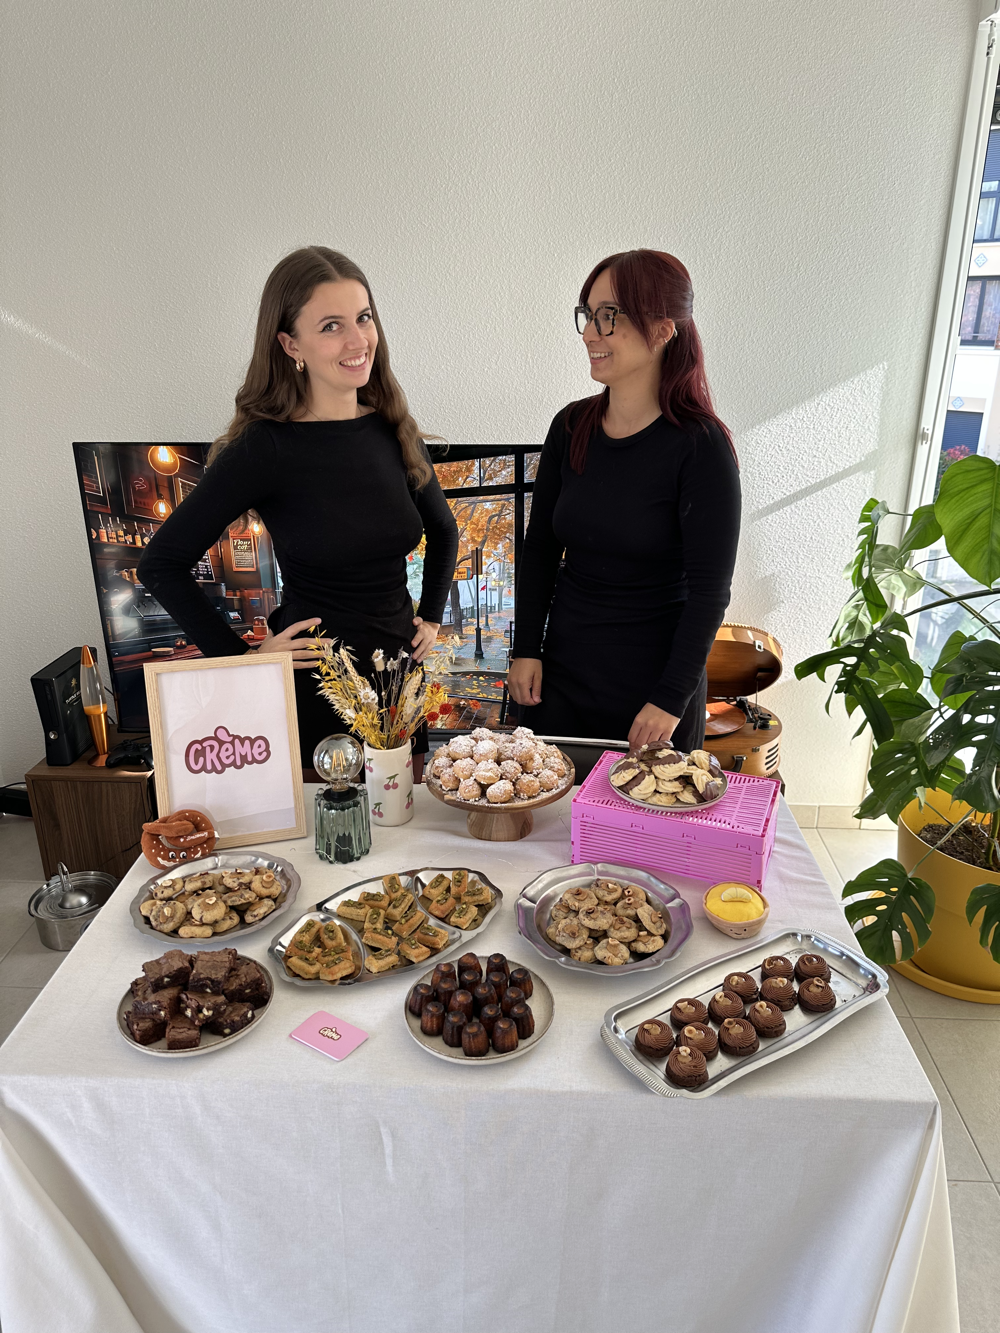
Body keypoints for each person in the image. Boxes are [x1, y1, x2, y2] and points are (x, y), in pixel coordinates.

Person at [138, 246, 458, 772]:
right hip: (318, 685)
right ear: (290, 344)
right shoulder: (265, 447)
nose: (358, 341)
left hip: (400, 678)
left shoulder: (393, 428)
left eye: (364, 317)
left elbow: (444, 532)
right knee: (332, 841)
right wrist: (243, 659)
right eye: (332, 325)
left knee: (402, 833)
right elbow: (161, 564)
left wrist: (430, 616)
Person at [507, 249, 740, 753]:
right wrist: (526, 648)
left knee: (639, 832)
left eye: (609, 316)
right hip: (562, 675)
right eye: (588, 315)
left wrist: (671, 698)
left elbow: (709, 593)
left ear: (662, 329)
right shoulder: (571, 426)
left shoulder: (700, 446)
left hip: (652, 692)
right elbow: (542, 547)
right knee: (552, 825)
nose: (591, 332)